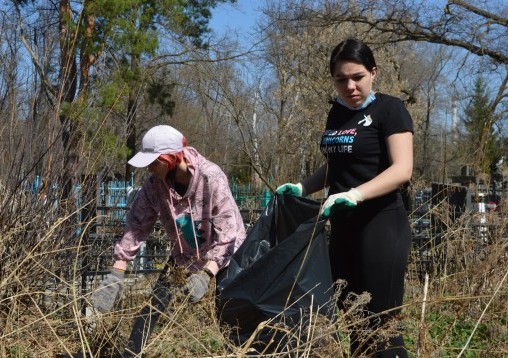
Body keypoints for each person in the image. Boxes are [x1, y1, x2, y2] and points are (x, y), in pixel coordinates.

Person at [276, 38, 413, 357]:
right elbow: (335, 165)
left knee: (382, 327)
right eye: (341, 79)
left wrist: (355, 193)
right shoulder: (336, 114)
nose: (350, 86)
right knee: (354, 322)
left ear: (373, 72)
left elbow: (402, 169)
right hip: (342, 229)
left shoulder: (390, 110)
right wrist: (301, 187)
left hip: (381, 227)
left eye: (357, 77)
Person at [91, 124, 246, 356]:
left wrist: (205, 274)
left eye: (154, 162)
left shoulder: (211, 177)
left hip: (225, 257)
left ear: (171, 157)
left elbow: (228, 234)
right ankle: (130, 354)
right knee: (153, 307)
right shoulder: (155, 185)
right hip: (184, 255)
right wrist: (117, 272)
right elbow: (137, 224)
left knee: (229, 314)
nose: (150, 169)